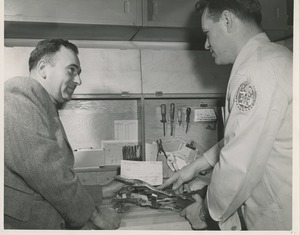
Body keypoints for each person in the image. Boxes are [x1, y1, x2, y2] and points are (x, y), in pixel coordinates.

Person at [158, 0, 292, 230]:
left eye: (207, 33)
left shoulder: (254, 72)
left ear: (228, 20)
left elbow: (240, 163)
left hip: (279, 219)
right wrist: (196, 166)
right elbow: (246, 137)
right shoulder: (279, 57)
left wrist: (203, 212)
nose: (207, 44)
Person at [4, 39, 124, 229]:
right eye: (71, 69)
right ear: (43, 68)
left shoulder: (42, 104)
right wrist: (96, 215)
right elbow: (48, 173)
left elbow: (48, 184)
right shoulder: (18, 92)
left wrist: (104, 191)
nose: (78, 80)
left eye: (79, 73)